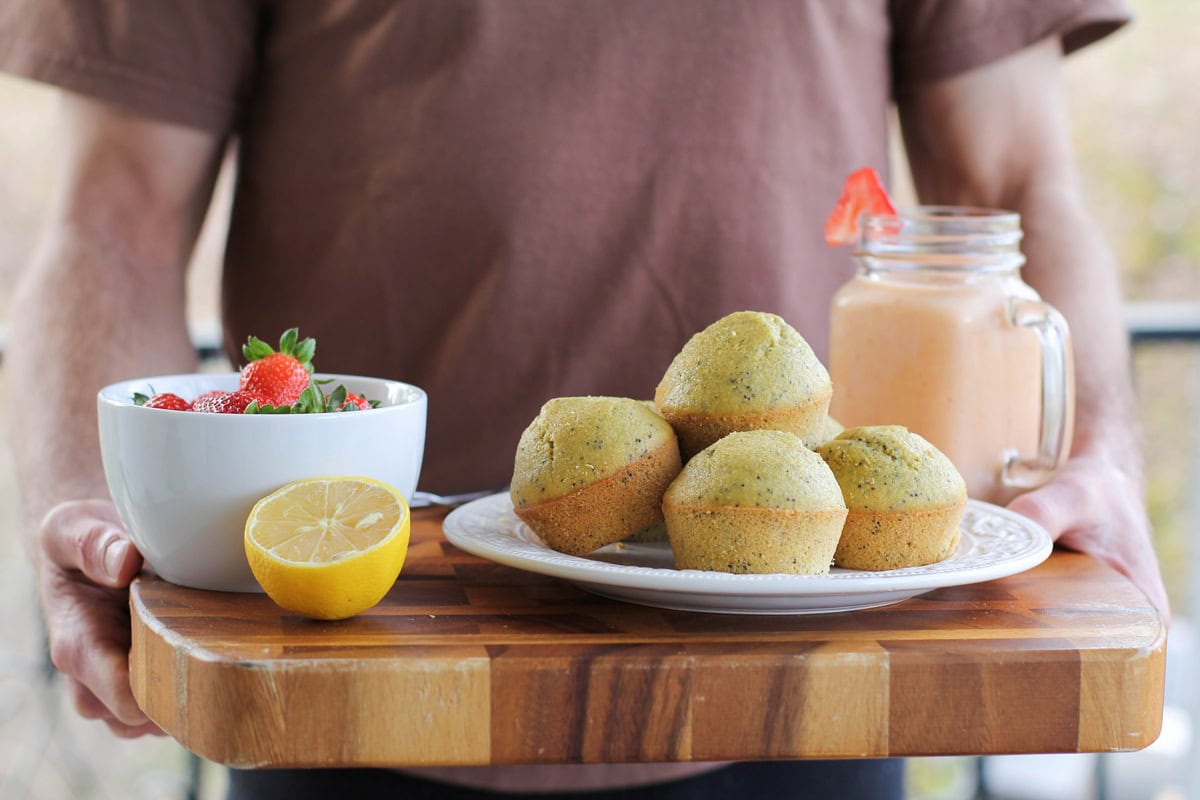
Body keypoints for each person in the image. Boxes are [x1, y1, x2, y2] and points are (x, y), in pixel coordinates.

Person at [0, 1, 1167, 798]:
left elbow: (1009, 181)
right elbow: (116, 213)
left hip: (806, 681)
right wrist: (90, 505)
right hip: (355, 673)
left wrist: (1098, 450)